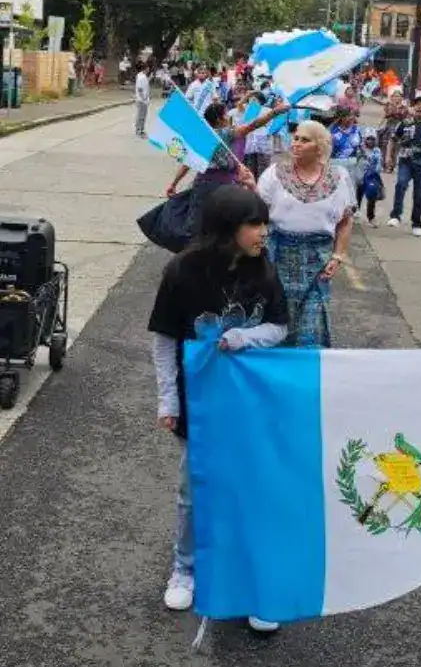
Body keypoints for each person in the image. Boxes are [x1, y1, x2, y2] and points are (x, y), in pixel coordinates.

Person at [148, 185, 289, 633]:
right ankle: (185, 568)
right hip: (202, 402)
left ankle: (250, 582)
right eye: (256, 224)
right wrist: (169, 399)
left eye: (265, 223)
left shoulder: (264, 270)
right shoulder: (182, 271)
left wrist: (245, 338)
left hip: (251, 400)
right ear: (228, 228)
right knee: (194, 488)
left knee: (252, 488)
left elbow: (280, 326)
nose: (264, 233)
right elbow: (164, 339)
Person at [258, 120, 355, 348]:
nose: (297, 143)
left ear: (319, 147)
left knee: (311, 326)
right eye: (296, 138)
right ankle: (277, 377)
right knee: (276, 319)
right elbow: (258, 212)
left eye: (305, 140)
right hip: (277, 257)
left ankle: (307, 376)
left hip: (317, 262)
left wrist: (337, 256)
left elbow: (346, 220)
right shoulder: (275, 173)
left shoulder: (338, 177)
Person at [165, 100, 289, 240]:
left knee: (197, 224)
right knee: (225, 224)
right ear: (218, 119)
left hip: (202, 185)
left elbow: (187, 164)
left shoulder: (201, 136)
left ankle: (195, 251)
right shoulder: (227, 134)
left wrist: (174, 183)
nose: (227, 117)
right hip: (224, 186)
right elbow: (254, 125)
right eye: (225, 115)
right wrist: (275, 112)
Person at [387, 95, 421, 238]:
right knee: (401, 184)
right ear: (413, 107)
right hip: (405, 161)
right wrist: (389, 157)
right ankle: (395, 216)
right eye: (417, 104)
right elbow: (392, 140)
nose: (420, 107)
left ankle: (417, 223)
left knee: (419, 195)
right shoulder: (405, 123)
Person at [356, 128, 384, 227]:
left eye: (373, 139)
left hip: (371, 176)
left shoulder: (377, 150)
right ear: (364, 139)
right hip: (360, 175)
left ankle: (371, 217)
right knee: (357, 196)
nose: (370, 141)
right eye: (368, 139)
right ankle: (356, 214)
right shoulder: (359, 149)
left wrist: (374, 172)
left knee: (372, 196)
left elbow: (379, 164)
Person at [380, 89, 409, 172]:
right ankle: (385, 165)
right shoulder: (388, 105)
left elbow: (404, 118)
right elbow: (385, 115)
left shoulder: (404, 108)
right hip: (388, 127)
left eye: (398, 96)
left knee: (396, 148)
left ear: (401, 98)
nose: (396, 98)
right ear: (392, 97)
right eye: (395, 96)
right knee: (385, 146)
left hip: (399, 129)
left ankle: (392, 165)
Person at [134, 62, 151, 138]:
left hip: (141, 99)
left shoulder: (141, 75)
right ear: (146, 69)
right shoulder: (142, 77)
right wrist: (143, 98)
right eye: (148, 68)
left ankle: (139, 129)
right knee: (142, 115)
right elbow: (140, 88)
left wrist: (150, 78)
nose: (149, 69)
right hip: (142, 100)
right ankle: (140, 130)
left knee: (141, 115)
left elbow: (145, 84)